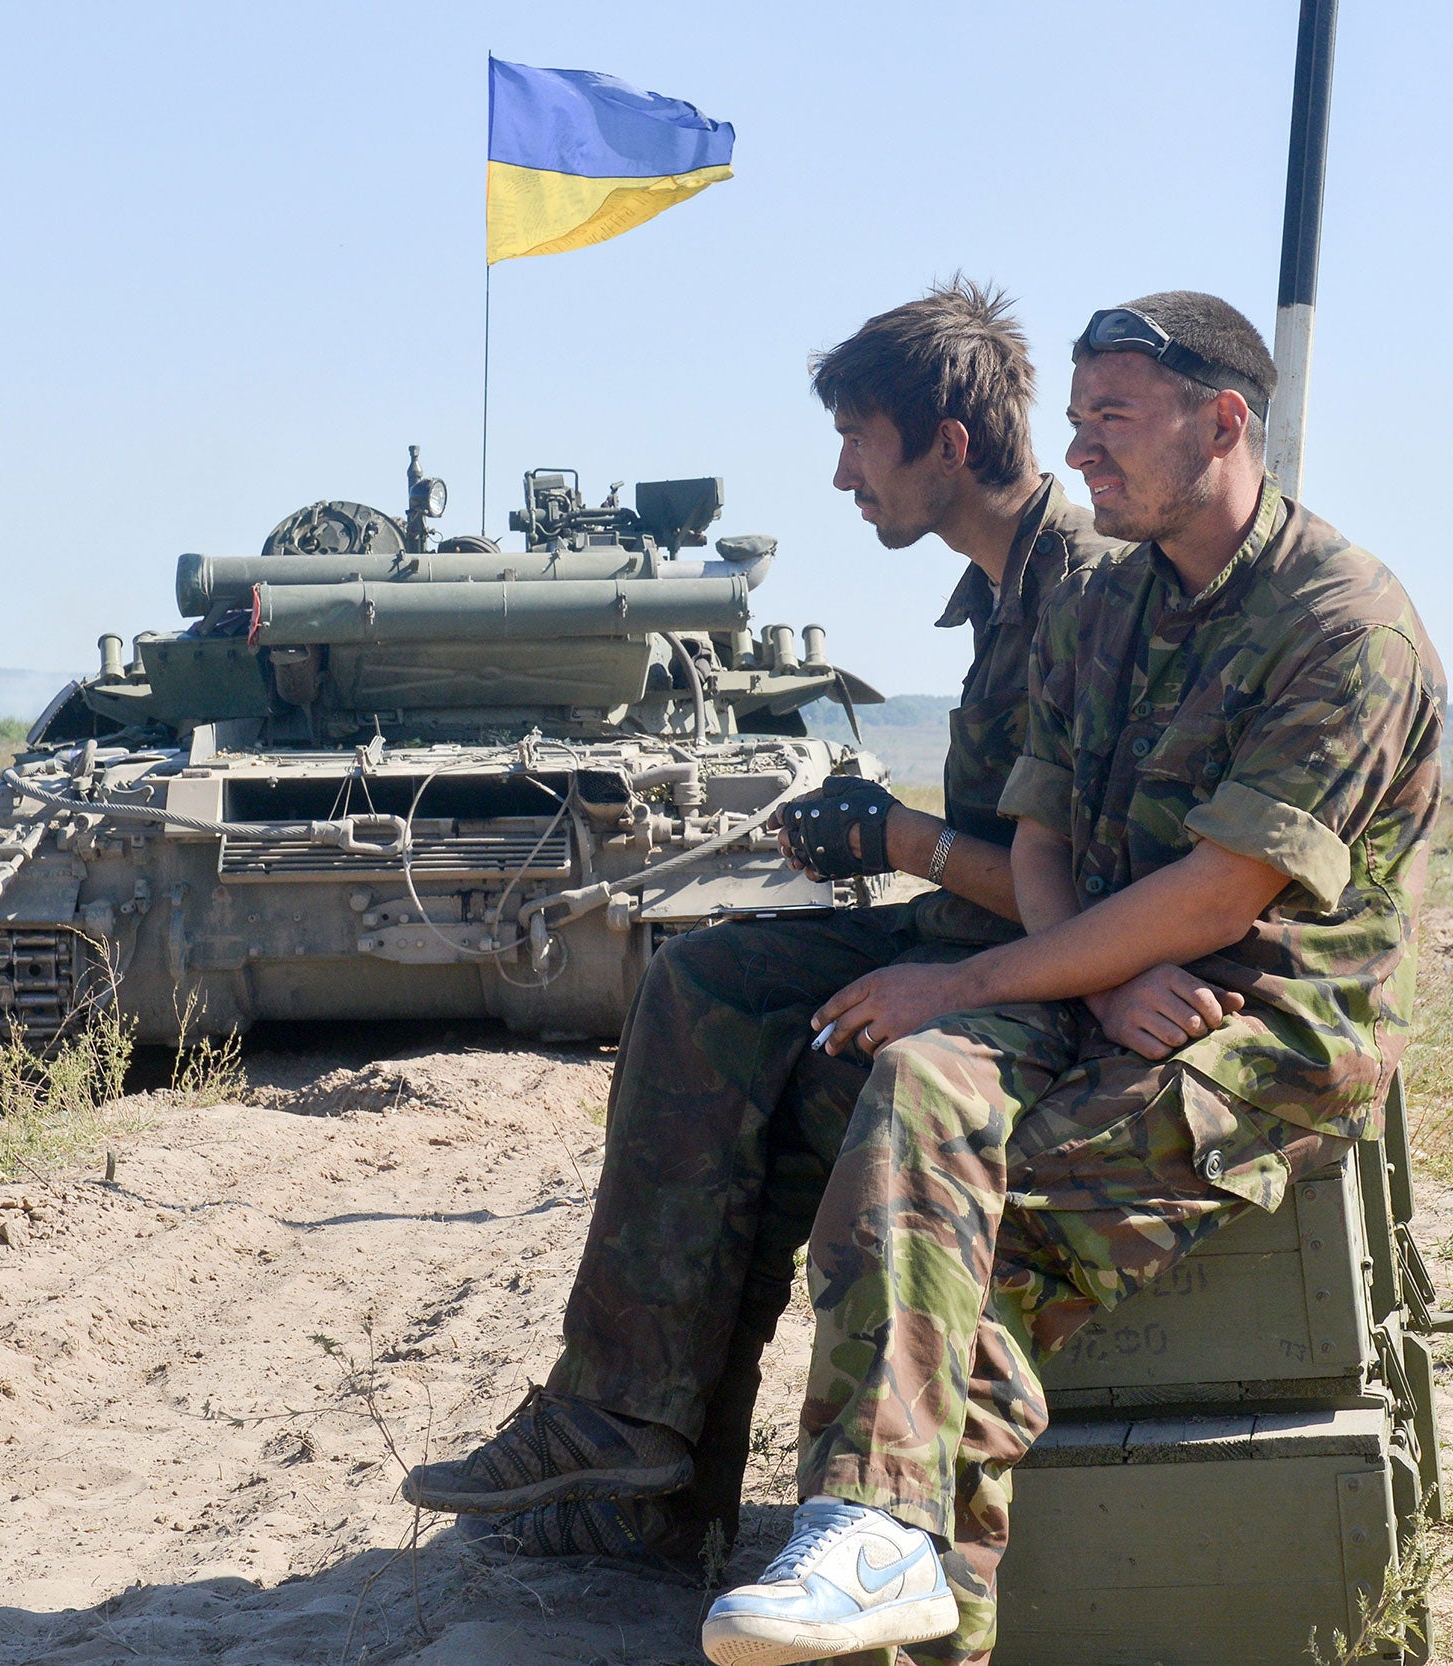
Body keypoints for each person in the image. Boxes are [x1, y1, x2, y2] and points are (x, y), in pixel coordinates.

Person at [699, 290, 1444, 1666]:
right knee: (918, 1090)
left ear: (1227, 422)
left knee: (951, 1241)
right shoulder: (1104, 594)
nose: (1081, 449)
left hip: (1263, 1022)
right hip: (1112, 984)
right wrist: (1085, 988)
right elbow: (1043, 834)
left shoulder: (1348, 625)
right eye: (1081, 416)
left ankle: (891, 1559)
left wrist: (980, 973)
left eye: (1114, 418)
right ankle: (881, 1546)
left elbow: (1223, 895)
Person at [401, 280, 1117, 1630]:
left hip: (1033, 968)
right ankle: (620, 1425)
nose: (843, 474)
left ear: (947, 445)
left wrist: (897, 832)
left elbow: (1073, 896)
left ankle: (683, 1477)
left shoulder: (1083, 596)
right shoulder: (1005, 589)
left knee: (804, 1083)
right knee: (704, 981)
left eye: (860, 438)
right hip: (964, 924)